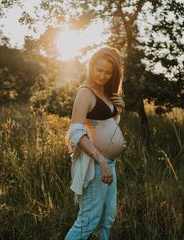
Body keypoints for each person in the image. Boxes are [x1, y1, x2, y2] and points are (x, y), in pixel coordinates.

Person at [65, 46, 125, 240]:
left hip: (109, 164)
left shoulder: (105, 92)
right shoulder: (85, 92)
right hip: (96, 164)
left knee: (107, 218)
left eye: (108, 72)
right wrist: (100, 160)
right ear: (91, 67)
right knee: (88, 221)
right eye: (99, 70)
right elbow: (75, 131)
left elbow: (104, 126)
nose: (103, 75)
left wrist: (119, 109)